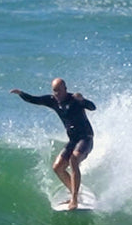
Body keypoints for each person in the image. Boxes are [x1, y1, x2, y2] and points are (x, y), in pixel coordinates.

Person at [10, 78, 96, 210]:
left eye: (59, 91)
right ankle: (75, 193)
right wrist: (21, 93)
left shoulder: (74, 99)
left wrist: (83, 100)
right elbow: (35, 100)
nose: (56, 93)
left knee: (73, 160)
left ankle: (74, 199)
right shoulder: (53, 100)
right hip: (73, 140)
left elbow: (92, 107)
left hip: (86, 138)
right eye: (54, 91)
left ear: (65, 89)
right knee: (57, 167)